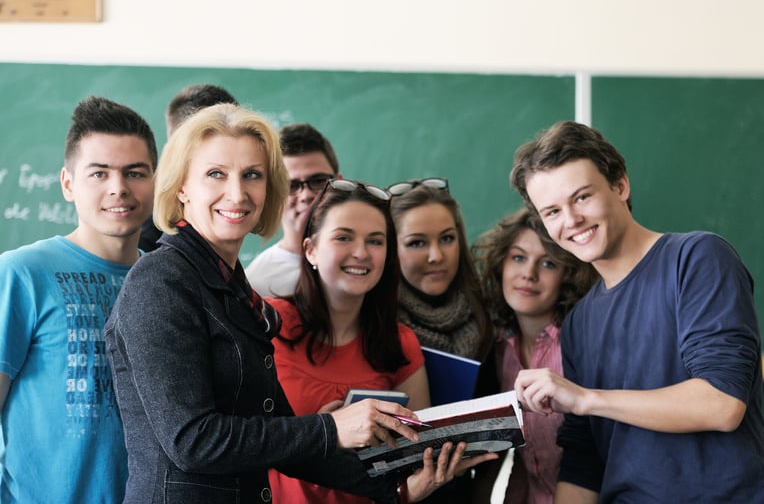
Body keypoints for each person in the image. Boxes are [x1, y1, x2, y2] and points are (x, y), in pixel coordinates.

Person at [105, 104, 491, 504]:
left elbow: (285, 435)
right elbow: (192, 441)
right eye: (215, 174)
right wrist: (330, 428)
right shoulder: (161, 279)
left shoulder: (232, 285)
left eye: (252, 175)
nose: (237, 193)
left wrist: (397, 490)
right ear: (182, 187)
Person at [510, 120, 764, 503]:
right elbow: (584, 460)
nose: (571, 221)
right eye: (552, 211)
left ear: (620, 185)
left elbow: (722, 403)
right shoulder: (578, 324)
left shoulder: (697, 259)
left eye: (582, 197)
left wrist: (587, 398)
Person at [0, 96, 158, 503]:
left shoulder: (164, 282)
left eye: (135, 173)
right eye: (99, 173)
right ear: (68, 183)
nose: (118, 188)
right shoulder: (22, 272)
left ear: (157, 182)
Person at [266, 178, 432, 504]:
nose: (361, 253)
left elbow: (416, 452)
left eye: (375, 241)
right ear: (310, 250)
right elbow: (236, 438)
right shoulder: (268, 323)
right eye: (344, 237)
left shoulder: (401, 343)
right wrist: (324, 431)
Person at [474, 208, 597, 504]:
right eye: (518, 258)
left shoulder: (583, 345)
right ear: (501, 263)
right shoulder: (497, 346)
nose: (529, 273)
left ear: (568, 274)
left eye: (548, 263)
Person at [388, 178, 493, 362]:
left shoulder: (489, 315)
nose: (436, 256)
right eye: (417, 243)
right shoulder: (375, 325)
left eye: (446, 239)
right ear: (391, 249)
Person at [138, 83, 238, 252]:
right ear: (174, 155)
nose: (237, 194)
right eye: (214, 172)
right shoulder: (150, 250)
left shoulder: (216, 237)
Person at [246, 123, 340, 296]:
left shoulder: (367, 260)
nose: (306, 195)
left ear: (340, 184)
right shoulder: (258, 285)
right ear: (271, 194)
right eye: (291, 185)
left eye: (319, 180)